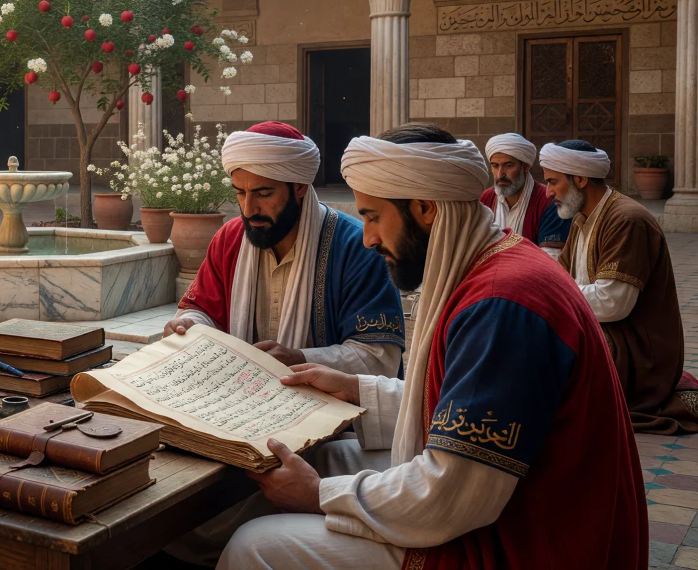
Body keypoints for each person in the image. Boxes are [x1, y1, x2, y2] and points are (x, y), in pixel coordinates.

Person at [215, 124, 643, 569]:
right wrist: (358, 389)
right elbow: (469, 412)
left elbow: (453, 494)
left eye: (373, 216)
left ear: (425, 208)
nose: (368, 239)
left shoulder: (502, 305)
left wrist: (318, 495)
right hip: (504, 500)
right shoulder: (492, 265)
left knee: (254, 544)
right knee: (322, 455)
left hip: (527, 540)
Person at [165, 122, 404, 376]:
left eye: (264, 194)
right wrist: (189, 324)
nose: (248, 209)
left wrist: (299, 358)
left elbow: (378, 357)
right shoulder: (230, 238)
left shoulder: (357, 248)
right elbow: (202, 309)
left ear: (299, 187)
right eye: (240, 193)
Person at [540, 140, 698, 434]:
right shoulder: (582, 218)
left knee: (542, 359)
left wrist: (548, 296)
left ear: (580, 179)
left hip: (637, 352)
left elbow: (612, 303)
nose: (547, 192)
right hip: (604, 331)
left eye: (552, 182)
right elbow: (558, 275)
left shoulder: (626, 220)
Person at [478, 133, 569, 259]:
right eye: (495, 166)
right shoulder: (485, 199)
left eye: (508, 165)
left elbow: (551, 259)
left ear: (525, 167)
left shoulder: (549, 202)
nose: (500, 174)